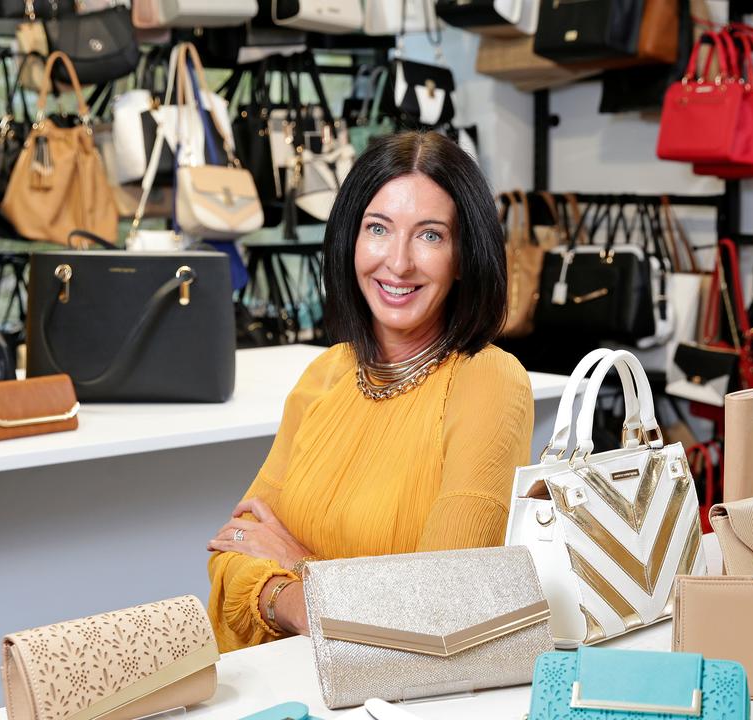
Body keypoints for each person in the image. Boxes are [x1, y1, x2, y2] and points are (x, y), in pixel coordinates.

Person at [206, 131, 534, 652]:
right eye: (378, 228)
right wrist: (314, 603)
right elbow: (233, 549)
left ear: (464, 255)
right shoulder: (326, 375)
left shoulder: (488, 382)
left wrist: (295, 566)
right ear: (349, 240)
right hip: (292, 680)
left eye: (430, 236)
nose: (398, 263)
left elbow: (442, 608)